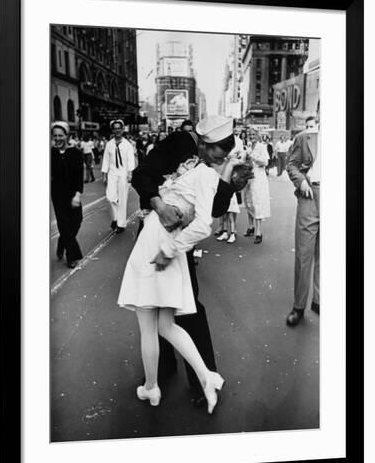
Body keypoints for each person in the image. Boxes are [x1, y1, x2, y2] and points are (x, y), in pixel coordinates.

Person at [118, 119, 249, 413]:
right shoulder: (178, 143)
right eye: (217, 150)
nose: (221, 156)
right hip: (158, 227)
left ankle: (200, 378)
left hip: (178, 240)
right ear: (200, 142)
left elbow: (212, 213)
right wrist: (159, 205)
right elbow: (141, 174)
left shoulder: (217, 166)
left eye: (227, 151)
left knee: (184, 309)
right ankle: (162, 371)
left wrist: (227, 183)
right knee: (157, 314)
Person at [285, 116, 320, 326]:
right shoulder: (305, 137)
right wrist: (301, 182)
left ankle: (319, 300)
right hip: (310, 196)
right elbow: (291, 165)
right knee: (304, 254)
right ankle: (299, 307)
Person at [51, 121, 84, 268]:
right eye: (55, 135)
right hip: (57, 194)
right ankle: (72, 257)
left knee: (77, 221)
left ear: (67, 136)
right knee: (63, 223)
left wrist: (77, 195)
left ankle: (62, 242)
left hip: (73, 193)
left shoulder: (75, 153)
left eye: (60, 135)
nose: (57, 138)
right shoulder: (50, 154)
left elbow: (79, 176)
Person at [101, 120, 135, 233]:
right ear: (113, 130)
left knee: (122, 199)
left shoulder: (127, 145)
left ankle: (121, 224)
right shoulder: (109, 144)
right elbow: (106, 160)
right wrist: (104, 175)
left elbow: (131, 160)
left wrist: (130, 174)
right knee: (110, 197)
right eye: (115, 128)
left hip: (124, 174)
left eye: (119, 128)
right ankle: (115, 217)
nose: (117, 130)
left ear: (122, 129)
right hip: (112, 173)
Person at [243, 129, 271, 244]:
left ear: (258, 136)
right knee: (249, 202)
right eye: (250, 134)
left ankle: (258, 232)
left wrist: (252, 156)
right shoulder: (249, 146)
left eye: (254, 134)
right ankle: (251, 227)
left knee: (257, 203)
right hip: (249, 177)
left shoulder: (261, 147)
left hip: (258, 178)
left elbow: (265, 162)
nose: (252, 136)